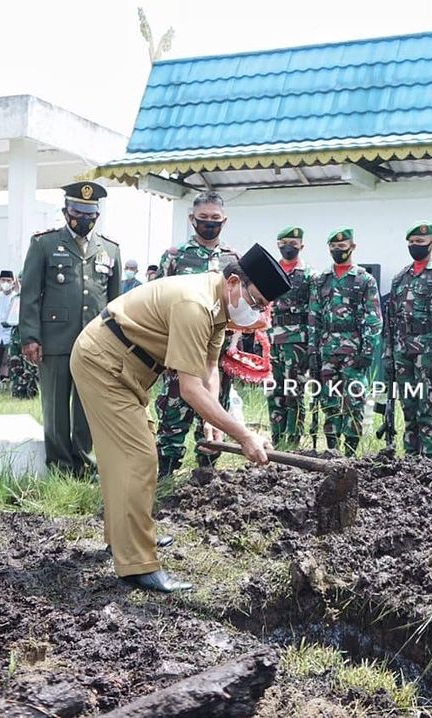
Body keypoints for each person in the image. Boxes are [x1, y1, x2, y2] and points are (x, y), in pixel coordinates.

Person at [72, 243, 291, 592]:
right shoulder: (196, 304)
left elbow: (209, 370)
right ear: (235, 282)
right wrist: (244, 435)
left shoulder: (220, 305)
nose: (256, 312)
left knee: (128, 457)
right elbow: (190, 389)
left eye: (262, 307)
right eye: (256, 302)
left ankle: (126, 537)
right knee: (138, 458)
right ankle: (137, 564)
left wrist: (213, 421)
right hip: (104, 363)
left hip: (127, 366)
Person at [19, 181, 121, 476]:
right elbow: (30, 294)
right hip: (55, 339)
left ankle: (85, 463)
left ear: (97, 215)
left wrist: (115, 343)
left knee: (88, 404)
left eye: (90, 214)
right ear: (66, 212)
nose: (84, 219)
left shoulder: (110, 249)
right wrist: (30, 337)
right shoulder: (45, 244)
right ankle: (61, 465)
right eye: (78, 212)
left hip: (95, 342)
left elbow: (115, 302)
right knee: (56, 406)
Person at [153, 192, 241, 477]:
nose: (209, 223)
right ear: (192, 219)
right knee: (174, 413)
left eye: (215, 218)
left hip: (218, 351)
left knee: (214, 411)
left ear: (225, 221)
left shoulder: (233, 259)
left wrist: (235, 342)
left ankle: (207, 475)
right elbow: (157, 298)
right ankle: (165, 475)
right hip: (180, 349)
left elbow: (238, 306)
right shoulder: (175, 256)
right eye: (203, 218)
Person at [383, 222, 432, 456]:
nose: (415, 246)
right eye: (411, 242)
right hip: (403, 350)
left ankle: (427, 458)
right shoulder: (400, 278)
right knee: (408, 406)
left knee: (427, 407)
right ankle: (410, 457)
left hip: (429, 352)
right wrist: (388, 354)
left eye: (420, 242)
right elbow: (391, 319)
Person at [308, 227, 382, 456]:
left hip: (354, 350)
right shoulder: (321, 279)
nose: (337, 250)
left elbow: (373, 317)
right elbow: (314, 316)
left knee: (354, 401)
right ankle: (332, 450)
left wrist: (368, 350)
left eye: (341, 246)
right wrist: (312, 351)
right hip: (327, 349)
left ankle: (350, 453)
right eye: (333, 247)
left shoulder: (364, 279)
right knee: (328, 400)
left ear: (352, 247)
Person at [266, 226, 312, 448]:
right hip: (271, 339)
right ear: (278, 245)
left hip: (296, 341)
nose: (289, 247)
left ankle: (292, 442)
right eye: (284, 243)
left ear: (301, 246)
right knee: (273, 391)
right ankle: (276, 440)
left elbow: (314, 311)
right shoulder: (268, 272)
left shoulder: (309, 275)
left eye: (293, 244)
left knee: (294, 391)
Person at [7, 275, 38, 399]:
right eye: (20, 280)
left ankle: (31, 392)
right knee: (15, 363)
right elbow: (10, 316)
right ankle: (17, 390)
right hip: (16, 334)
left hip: (30, 334)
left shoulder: (36, 297)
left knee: (30, 364)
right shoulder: (16, 298)